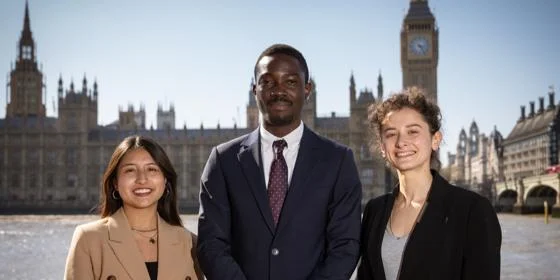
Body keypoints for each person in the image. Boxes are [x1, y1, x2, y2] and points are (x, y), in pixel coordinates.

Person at [197, 43, 362, 280]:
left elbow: (345, 246)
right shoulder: (223, 160)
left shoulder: (337, 160)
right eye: (268, 82)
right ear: (255, 89)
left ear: (307, 89)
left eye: (291, 82)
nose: (279, 90)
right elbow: (211, 244)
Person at [357, 88, 502, 279]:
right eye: (391, 134)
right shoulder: (374, 211)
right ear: (383, 147)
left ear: (435, 139)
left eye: (413, 131)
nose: (401, 141)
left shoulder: (472, 211)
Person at [64, 135, 202, 280]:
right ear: (115, 183)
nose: (142, 179)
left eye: (152, 169)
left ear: (165, 179)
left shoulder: (190, 243)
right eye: (130, 170)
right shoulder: (89, 239)